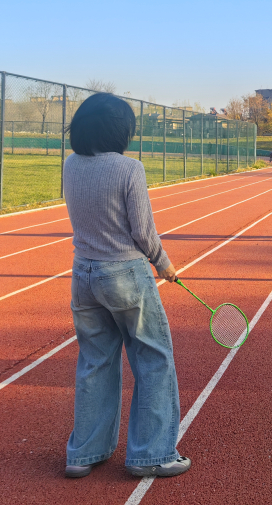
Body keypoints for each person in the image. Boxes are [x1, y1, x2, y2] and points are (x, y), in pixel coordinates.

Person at [62, 93, 190, 479]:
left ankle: (83, 454)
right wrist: (164, 264)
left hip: (82, 273)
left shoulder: (70, 165)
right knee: (153, 361)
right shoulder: (129, 169)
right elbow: (143, 231)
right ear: (121, 130)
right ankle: (152, 454)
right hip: (124, 275)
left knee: (94, 363)